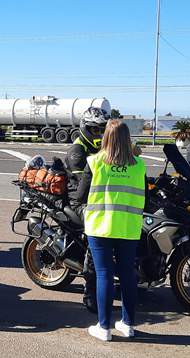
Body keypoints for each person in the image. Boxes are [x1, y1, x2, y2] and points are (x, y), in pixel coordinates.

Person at [75, 120, 146, 341]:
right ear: (128, 139)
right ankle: (128, 324)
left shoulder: (95, 162)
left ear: (106, 137)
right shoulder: (139, 165)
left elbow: (80, 196)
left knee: (104, 273)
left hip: (100, 226)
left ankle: (104, 328)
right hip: (128, 227)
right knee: (127, 274)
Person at [65, 107, 110, 313]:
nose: (99, 134)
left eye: (103, 130)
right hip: (80, 201)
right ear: (85, 128)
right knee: (98, 235)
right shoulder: (78, 151)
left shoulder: (102, 148)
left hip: (98, 197)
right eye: (95, 129)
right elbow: (86, 184)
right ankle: (89, 292)